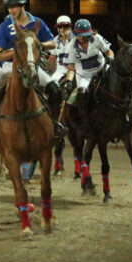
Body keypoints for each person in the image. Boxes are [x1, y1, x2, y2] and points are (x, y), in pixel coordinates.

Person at [0, 0, 66, 156]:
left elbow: (53, 43)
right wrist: (17, 51)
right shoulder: (4, 26)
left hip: (32, 65)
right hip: (9, 68)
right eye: (9, 7)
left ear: (22, 5)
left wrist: (36, 45)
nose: (11, 10)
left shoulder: (36, 22)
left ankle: (55, 126)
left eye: (14, 6)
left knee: (55, 89)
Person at [61, 18, 114, 133]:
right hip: (84, 73)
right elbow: (71, 66)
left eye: (84, 35)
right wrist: (69, 81)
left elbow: (109, 51)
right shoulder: (71, 45)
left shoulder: (97, 38)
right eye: (79, 35)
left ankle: (127, 112)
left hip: (102, 67)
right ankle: (85, 120)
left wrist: (110, 59)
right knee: (82, 91)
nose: (81, 38)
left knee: (116, 81)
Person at [49, 15, 75, 175]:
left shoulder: (77, 39)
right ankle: (51, 116)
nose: (62, 30)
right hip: (59, 71)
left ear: (70, 27)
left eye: (65, 27)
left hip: (74, 70)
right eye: (60, 27)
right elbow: (52, 59)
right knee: (49, 88)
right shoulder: (55, 40)